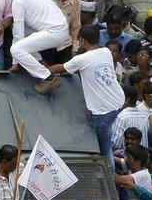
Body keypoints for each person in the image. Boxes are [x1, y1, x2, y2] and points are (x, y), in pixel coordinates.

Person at [48, 25, 125, 170]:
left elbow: (60, 68)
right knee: (106, 139)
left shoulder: (81, 59)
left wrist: (41, 70)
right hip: (117, 100)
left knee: (104, 147)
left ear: (83, 40)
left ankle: (109, 174)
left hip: (102, 110)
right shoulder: (106, 51)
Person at [9, 0, 69, 94]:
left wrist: (15, 63)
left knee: (15, 49)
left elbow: (18, 33)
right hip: (59, 30)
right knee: (24, 44)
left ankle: (48, 78)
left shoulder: (18, 0)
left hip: (54, 31)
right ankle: (42, 65)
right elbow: (24, 33)